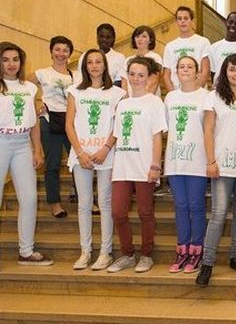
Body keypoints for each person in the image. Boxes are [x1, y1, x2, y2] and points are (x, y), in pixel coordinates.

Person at [196, 54, 236, 287]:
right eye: (232, 69)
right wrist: (211, 161)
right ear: (225, 71)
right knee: (219, 213)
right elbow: (208, 131)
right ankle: (207, 262)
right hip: (222, 164)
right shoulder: (214, 97)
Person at [65, 49, 126, 270]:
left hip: (106, 154)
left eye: (98, 62)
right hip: (81, 155)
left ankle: (105, 252)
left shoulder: (117, 93)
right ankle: (85, 251)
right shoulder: (74, 91)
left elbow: (119, 125)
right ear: (85, 66)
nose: (94, 66)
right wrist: (80, 152)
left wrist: (105, 149)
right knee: (84, 204)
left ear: (105, 65)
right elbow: (69, 124)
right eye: (89, 62)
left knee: (105, 203)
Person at [107, 57, 167, 273]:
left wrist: (155, 166)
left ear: (150, 77)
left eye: (141, 74)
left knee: (145, 212)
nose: (136, 78)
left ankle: (146, 255)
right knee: (118, 213)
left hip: (144, 166)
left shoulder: (155, 102)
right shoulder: (122, 104)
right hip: (122, 165)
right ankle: (127, 254)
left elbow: (157, 136)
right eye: (132, 74)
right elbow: (117, 135)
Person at [0, 42, 53, 265]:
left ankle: (26, 250)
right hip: (1, 141)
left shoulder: (30, 88)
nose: (11, 64)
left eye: (15, 59)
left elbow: (34, 122)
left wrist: (37, 149)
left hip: (23, 144)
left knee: (30, 198)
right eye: (5, 59)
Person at [164, 56, 209, 274]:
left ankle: (196, 251)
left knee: (196, 206)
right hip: (174, 161)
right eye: (181, 67)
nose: (185, 70)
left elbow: (210, 130)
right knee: (181, 206)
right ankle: (182, 250)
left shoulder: (206, 97)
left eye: (190, 67)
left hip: (197, 161)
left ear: (198, 72)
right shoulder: (170, 97)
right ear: (176, 72)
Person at [28, 36, 80, 218]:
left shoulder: (76, 74)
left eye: (65, 50)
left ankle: (86, 200)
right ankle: (55, 203)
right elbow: (24, 87)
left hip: (72, 122)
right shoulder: (42, 73)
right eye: (57, 49)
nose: (61, 53)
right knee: (52, 164)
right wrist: (35, 106)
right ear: (51, 51)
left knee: (79, 162)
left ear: (69, 54)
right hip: (50, 121)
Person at [162, 6, 211, 91]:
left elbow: (205, 71)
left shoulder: (203, 42)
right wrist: (173, 94)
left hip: (198, 91)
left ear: (192, 21)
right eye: (179, 19)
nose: (182, 21)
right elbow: (166, 75)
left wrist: (196, 90)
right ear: (176, 22)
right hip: (177, 91)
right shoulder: (170, 46)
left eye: (186, 18)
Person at [120, 26, 162, 96]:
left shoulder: (156, 58)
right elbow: (124, 82)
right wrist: (127, 100)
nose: (140, 39)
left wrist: (144, 100)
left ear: (150, 40)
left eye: (144, 36)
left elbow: (154, 81)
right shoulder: (127, 60)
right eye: (137, 36)